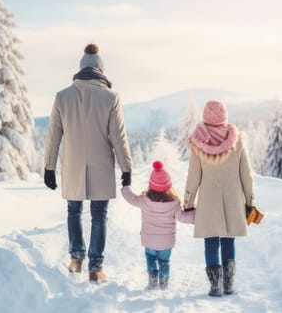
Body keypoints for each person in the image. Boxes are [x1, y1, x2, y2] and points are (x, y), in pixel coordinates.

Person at [44, 44, 132, 284]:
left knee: (74, 210)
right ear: (101, 70)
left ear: (81, 69)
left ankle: (76, 259)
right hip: (101, 165)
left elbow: (54, 135)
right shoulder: (111, 97)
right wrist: (126, 168)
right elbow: (118, 136)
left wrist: (49, 167)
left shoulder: (63, 96)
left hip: (72, 165)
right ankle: (96, 268)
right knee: (99, 216)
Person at [183, 100, 255, 297]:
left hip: (208, 202)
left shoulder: (198, 141)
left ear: (205, 117)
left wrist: (188, 204)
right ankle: (229, 284)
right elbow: (246, 174)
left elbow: (193, 177)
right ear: (225, 116)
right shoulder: (237, 140)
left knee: (211, 242)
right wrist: (250, 201)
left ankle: (215, 286)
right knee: (228, 241)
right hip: (232, 200)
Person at [121, 161, 195, 291]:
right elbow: (183, 217)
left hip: (149, 241)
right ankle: (164, 283)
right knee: (164, 262)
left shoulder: (144, 201)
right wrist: (196, 213)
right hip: (166, 243)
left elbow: (130, 198)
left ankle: (153, 280)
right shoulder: (174, 204)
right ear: (168, 186)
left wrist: (125, 186)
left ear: (151, 185)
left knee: (150, 258)